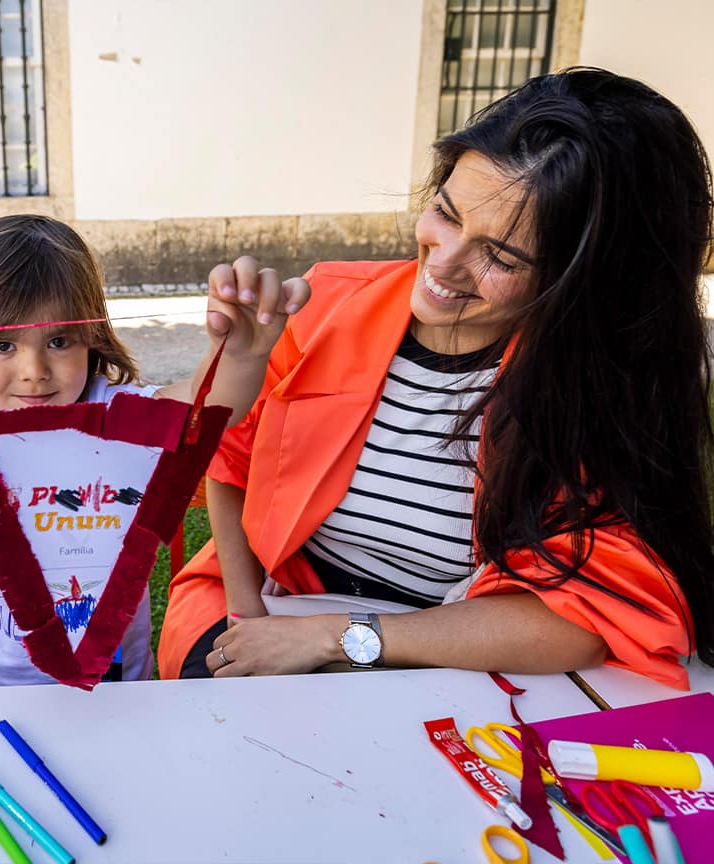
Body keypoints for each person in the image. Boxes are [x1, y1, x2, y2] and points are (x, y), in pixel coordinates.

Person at [158, 67, 714, 689]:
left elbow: (590, 616)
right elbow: (229, 462)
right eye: (445, 214)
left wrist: (340, 637)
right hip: (272, 594)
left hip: (461, 641)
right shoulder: (324, 306)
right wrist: (247, 620)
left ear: (582, 281)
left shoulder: (597, 385)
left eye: (501, 256)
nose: (443, 265)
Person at [0, 214, 310, 687]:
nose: (34, 370)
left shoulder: (121, 416)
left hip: (114, 688)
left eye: (58, 340)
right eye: (3, 344)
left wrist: (243, 355)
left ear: (91, 336)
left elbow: (210, 406)